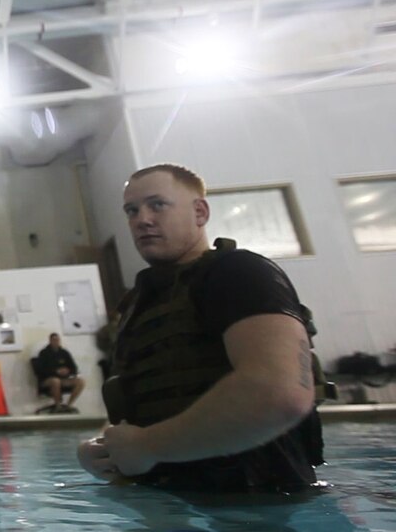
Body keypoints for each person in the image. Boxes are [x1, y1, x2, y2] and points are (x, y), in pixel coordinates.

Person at [77, 163, 324, 492]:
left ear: (200, 212)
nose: (142, 219)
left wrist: (148, 447)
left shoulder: (239, 272)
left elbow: (280, 393)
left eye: (158, 204)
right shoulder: (139, 304)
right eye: (131, 210)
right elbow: (142, 402)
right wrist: (103, 448)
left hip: (261, 500)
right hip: (178, 500)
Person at [33, 333, 85, 413]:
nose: (56, 342)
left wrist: (67, 371)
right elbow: (40, 370)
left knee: (80, 381)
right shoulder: (44, 353)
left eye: (57, 340)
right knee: (55, 381)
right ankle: (58, 406)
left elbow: (74, 368)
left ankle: (69, 405)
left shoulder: (64, 353)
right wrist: (56, 371)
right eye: (54, 340)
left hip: (64, 379)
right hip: (47, 380)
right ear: (50, 341)